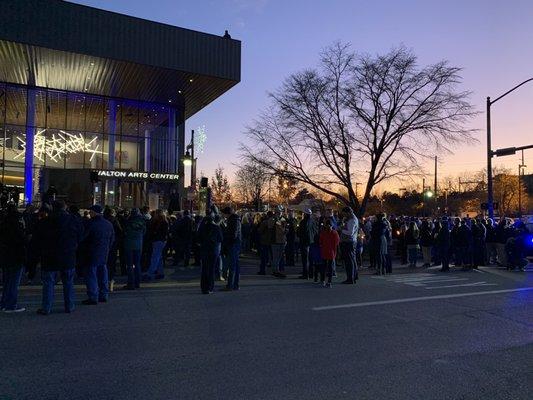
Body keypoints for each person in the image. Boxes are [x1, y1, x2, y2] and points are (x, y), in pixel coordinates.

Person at [35, 200, 84, 315]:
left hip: (50, 256)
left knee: (48, 283)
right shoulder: (73, 220)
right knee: (68, 282)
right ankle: (69, 306)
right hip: (68, 255)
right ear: (65, 208)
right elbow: (81, 236)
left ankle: (46, 307)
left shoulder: (45, 222)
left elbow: (38, 239)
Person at [81, 204, 115, 305]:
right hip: (104, 252)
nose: (89, 214)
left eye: (91, 212)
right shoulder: (108, 224)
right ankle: (104, 294)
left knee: (91, 274)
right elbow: (112, 238)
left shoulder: (90, 224)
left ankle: (93, 296)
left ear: (94, 212)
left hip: (91, 252)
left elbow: (83, 238)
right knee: (103, 273)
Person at [0, 204, 27, 312]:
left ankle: (4, 303)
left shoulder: (3, 224)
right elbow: (22, 240)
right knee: (13, 283)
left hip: (5, 256)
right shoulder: (18, 226)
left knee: (7, 282)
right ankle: (11, 304)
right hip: (16, 256)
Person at [197, 210, 223, 294]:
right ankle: (210, 287)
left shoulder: (202, 228)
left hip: (204, 249)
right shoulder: (216, 228)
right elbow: (220, 239)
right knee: (211, 269)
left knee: (204, 268)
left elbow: (198, 238)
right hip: (213, 249)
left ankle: (203, 287)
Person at [123, 208, 146, 290]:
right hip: (139, 245)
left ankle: (131, 283)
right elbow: (144, 232)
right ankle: (137, 282)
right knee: (137, 264)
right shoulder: (142, 222)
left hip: (128, 245)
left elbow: (125, 232)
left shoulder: (128, 222)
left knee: (129, 265)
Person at [221, 206, 242, 290]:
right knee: (235, 265)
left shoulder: (233, 221)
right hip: (235, 244)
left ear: (227, 213)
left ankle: (231, 285)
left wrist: (227, 242)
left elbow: (233, 234)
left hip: (233, 244)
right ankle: (235, 284)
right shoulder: (235, 220)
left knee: (232, 266)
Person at [144, 209, 169, 280]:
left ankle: (150, 273)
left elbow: (156, 231)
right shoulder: (164, 221)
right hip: (161, 240)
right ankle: (160, 272)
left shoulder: (159, 222)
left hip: (158, 240)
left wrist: (154, 235)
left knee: (155, 257)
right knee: (159, 257)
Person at [104, 206, 123, 292]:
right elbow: (120, 231)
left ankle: (104, 280)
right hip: (113, 244)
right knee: (111, 263)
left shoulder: (103, 220)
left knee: (104, 263)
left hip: (104, 245)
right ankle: (110, 280)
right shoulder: (115, 220)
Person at [339, 206, 359, 283]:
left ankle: (350, 278)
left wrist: (342, 229)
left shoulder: (352, 220)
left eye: (344, 213)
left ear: (348, 212)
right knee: (352, 260)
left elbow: (350, 232)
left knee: (349, 261)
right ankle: (354, 276)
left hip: (349, 242)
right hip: (351, 241)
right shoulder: (352, 219)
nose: (344, 215)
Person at [319, 219, 340, 288]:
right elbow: (337, 243)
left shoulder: (323, 233)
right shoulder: (335, 233)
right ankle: (329, 282)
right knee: (330, 268)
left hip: (324, 251)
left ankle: (322, 280)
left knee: (323, 267)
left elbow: (320, 242)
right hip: (332, 252)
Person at [297, 209, 317, 279]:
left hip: (304, 242)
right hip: (312, 242)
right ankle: (311, 274)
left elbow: (300, 232)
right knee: (311, 259)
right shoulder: (313, 221)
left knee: (305, 259)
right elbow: (316, 231)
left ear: (305, 214)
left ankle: (306, 274)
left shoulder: (303, 222)